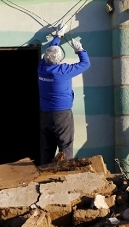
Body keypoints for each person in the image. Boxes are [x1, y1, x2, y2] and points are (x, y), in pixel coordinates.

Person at [37, 28, 90, 164]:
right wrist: (80, 50)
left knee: (47, 148)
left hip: (45, 113)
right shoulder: (63, 70)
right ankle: (65, 172)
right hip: (62, 115)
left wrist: (58, 36)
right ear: (60, 59)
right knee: (65, 146)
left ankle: (45, 171)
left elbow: (49, 52)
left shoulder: (42, 68)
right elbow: (85, 64)